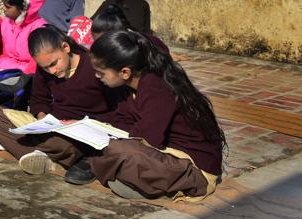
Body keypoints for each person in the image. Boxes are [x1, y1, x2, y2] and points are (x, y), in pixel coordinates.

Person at [0, 27, 122, 185]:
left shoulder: (94, 67)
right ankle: (38, 154)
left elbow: (116, 111)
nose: (52, 71)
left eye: (54, 63)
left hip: (79, 135)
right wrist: (41, 117)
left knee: (60, 146)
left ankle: (23, 148)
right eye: (45, 67)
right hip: (51, 126)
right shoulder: (44, 68)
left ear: (66, 48)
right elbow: (39, 98)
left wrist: (83, 123)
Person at [89, 30, 224, 200]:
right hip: (162, 154)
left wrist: (113, 142)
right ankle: (124, 175)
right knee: (109, 146)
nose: (97, 76)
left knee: (117, 150)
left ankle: (117, 173)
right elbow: (122, 120)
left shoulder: (157, 88)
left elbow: (147, 139)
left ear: (125, 72)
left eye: (101, 73)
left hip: (194, 170)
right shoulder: (127, 87)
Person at [0, 0, 46, 74]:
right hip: (10, 71)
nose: (3, 9)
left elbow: (34, 68)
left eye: (7, 7)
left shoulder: (39, 29)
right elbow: (6, 56)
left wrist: (5, 65)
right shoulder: (7, 23)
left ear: (23, 9)